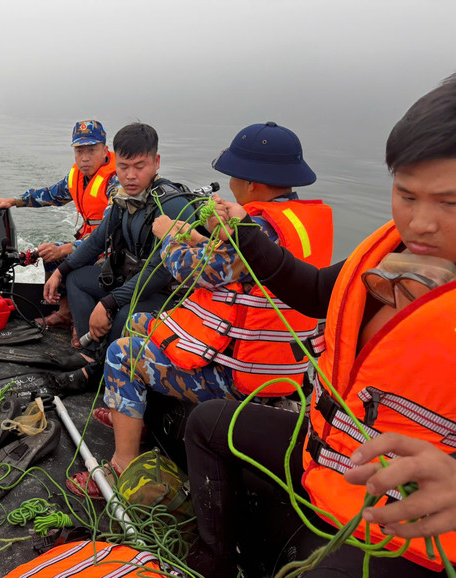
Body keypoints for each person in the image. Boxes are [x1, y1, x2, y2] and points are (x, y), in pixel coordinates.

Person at [184, 76, 456, 577]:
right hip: (328, 454)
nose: (420, 222)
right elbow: (312, 291)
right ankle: (214, 561)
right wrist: (244, 229)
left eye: (450, 203)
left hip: (406, 521)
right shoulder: (386, 252)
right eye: (406, 194)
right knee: (207, 424)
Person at [69, 122, 333, 497]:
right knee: (140, 322)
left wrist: (169, 236)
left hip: (239, 375)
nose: (230, 183)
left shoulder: (258, 229)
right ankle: (134, 416)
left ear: (251, 182)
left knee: (121, 354)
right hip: (279, 365)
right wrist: (195, 234)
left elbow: (195, 271)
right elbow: (235, 262)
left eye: (233, 176)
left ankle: (121, 465)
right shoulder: (291, 222)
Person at [44, 122, 199, 378]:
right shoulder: (124, 199)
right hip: (134, 280)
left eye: (140, 166)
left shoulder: (171, 206)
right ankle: (91, 353)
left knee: (125, 313)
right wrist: (61, 271)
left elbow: (159, 271)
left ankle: (106, 370)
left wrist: (109, 302)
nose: (130, 176)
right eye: (124, 167)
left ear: (156, 162)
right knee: (77, 279)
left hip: (169, 293)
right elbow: (96, 241)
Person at [0, 120, 118, 331]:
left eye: (92, 150)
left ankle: (86, 323)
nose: (85, 157)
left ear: (105, 150)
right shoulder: (77, 176)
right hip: (87, 244)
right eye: (79, 150)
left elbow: (109, 231)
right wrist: (13, 201)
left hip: (112, 249)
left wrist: (67, 249)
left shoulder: (115, 182)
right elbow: (51, 195)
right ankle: (65, 313)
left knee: (67, 257)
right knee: (50, 252)